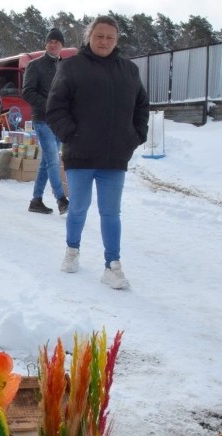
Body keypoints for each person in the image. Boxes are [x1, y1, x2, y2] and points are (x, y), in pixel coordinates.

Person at [46, 15, 149, 289]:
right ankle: (72, 251)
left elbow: (142, 106)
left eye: (110, 37)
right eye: (99, 36)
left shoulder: (129, 70)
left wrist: (136, 136)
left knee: (111, 212)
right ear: (89, 37)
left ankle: (112, 266)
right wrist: (71, 135)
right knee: (78, 207)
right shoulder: (71, 67)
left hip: (115, 157)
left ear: (116, 40)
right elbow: (55, 107)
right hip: (80, 155)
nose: (104, 41)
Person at [23, 27, 69, 215]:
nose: (53, 44)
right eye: (51, 41)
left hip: (60, 121)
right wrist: (49, 104)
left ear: (61, 46)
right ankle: (61, 199)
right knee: (52, 160)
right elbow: (27, 92)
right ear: (46, 43)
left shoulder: (64, 66)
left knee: (46, 163)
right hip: (42, 119)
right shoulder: (35, 65)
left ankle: (36, 200)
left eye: (57, 42)